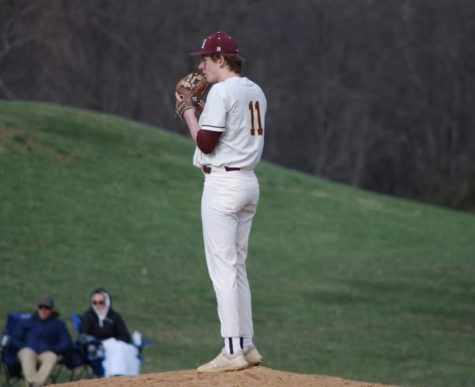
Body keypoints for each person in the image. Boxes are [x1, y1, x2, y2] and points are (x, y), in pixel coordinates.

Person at [176, 31, 267, 373]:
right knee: (237, 267)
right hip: (248, 182)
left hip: (223, 184)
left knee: (223, 270)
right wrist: (200, 108)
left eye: (205, 58)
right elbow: (228, 129)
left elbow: (206, 142)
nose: (200, 65)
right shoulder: (255, 89)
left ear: (221, 59)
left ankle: (232, 350)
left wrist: (188, 111)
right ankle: (246, 343)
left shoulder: (221, 90)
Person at [10, 295, 72, 387]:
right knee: (27, 352)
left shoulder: (59, 325)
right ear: (37, 308)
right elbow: (15, 338)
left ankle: (35, 384)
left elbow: (66, 342)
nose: (43, 310)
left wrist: (53, 348)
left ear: (52, 310)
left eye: (46, 308)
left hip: (47, 352)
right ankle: (34, 383)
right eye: (41, 307)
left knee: (52, 356)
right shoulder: (27, 321)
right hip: (29, 350)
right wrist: (22, 346)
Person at [79, 287, 140, 377]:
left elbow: (125, 336)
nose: (98, 305)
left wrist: (113, 340)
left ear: (107, 302)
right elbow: (83, 335)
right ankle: (115, 376)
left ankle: (123, 376)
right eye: (95, 302)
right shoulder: (88, 316)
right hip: (97, 347)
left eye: (101, 302)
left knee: (121, 348)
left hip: (116, 344)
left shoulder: (114, 316)